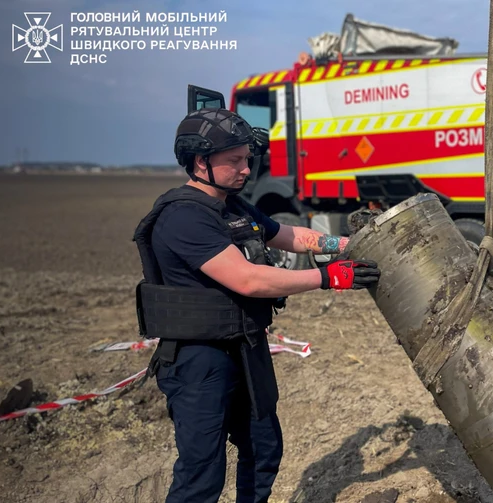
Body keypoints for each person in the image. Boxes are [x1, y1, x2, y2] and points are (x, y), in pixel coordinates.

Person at [131, 108, 380, 503]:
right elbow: (248, 279)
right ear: (201, 162)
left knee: (264, 450)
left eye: (248, 159)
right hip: (199, 360)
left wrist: (348, 246)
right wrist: (328, 277)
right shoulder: (182, 217)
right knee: (202, 475)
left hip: (245, 348)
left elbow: (290, 236)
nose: (246, 169)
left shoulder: (235, 208)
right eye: (235, 161)